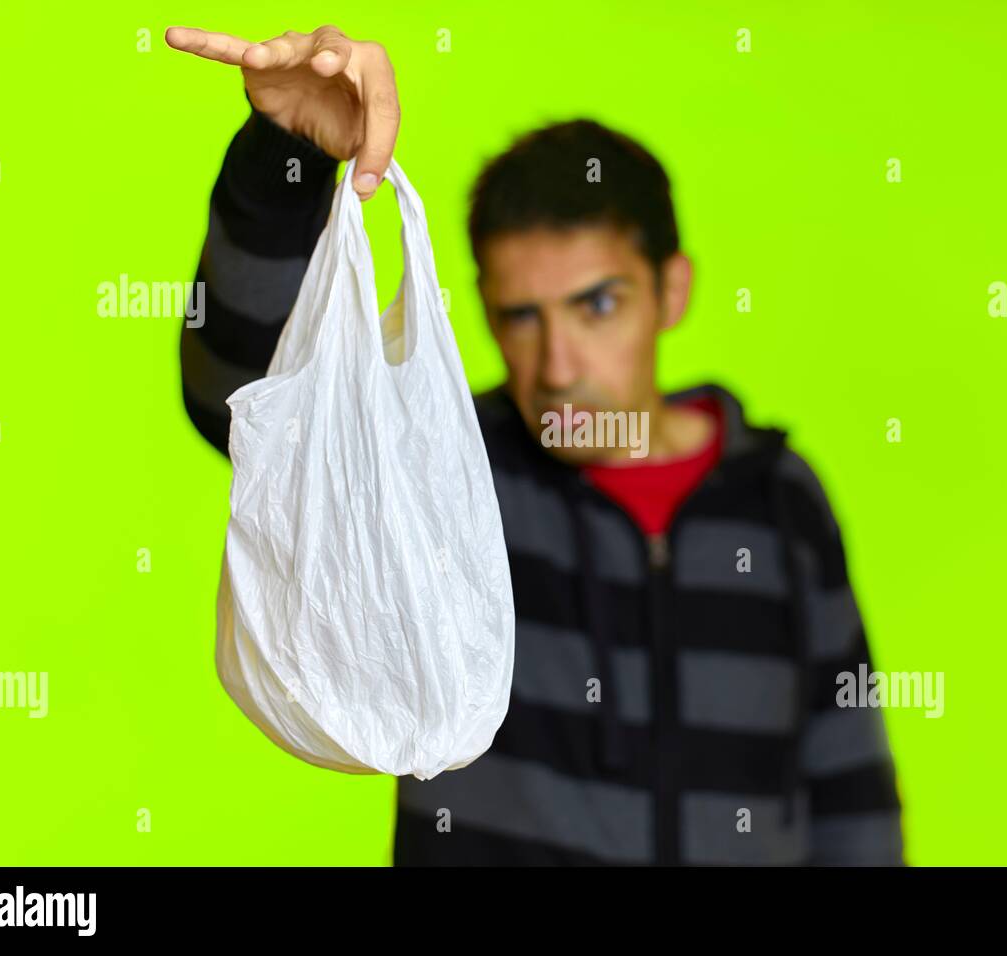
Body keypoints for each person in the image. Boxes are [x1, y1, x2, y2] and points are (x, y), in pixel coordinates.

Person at [169, 24, 904, 865]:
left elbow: (850, 788)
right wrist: (285, 155)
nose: (557, 364)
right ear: (483, 308)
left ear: (671, 291)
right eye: (522, 316)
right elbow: (249, 405)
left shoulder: (780, 501)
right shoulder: (446, 467)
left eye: (596, 306)